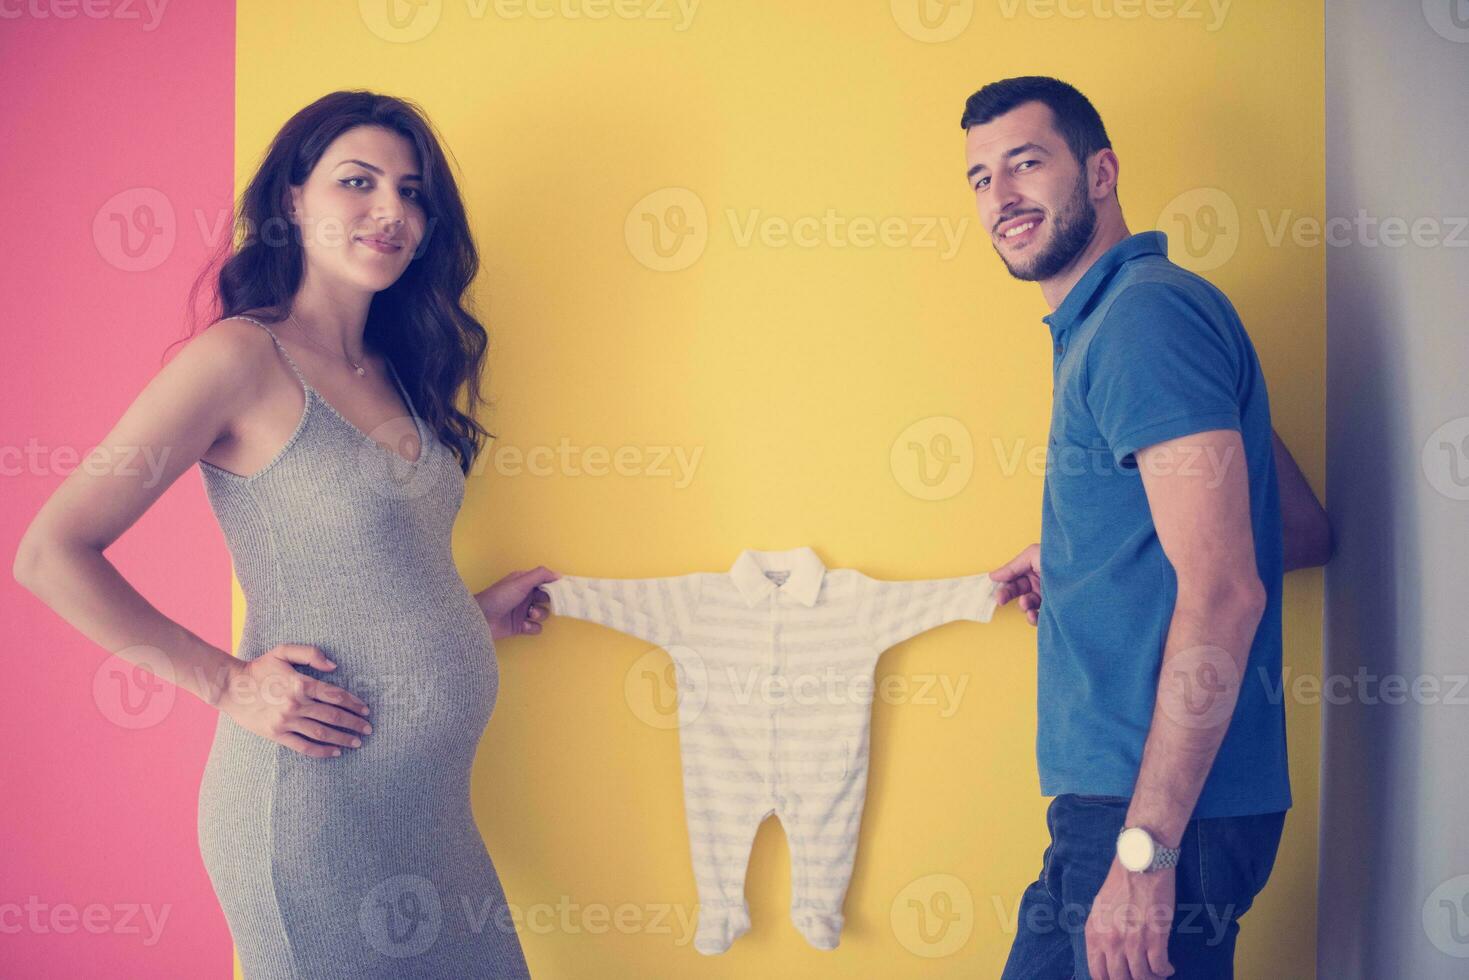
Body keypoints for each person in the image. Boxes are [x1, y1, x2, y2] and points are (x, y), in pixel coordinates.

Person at [12, 90, 555, 978]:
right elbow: (49, 553)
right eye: (358, 182)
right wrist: (226, 684)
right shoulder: (238, 359)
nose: (394, 212)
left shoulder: (402, 372)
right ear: (293, 200)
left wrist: (466, 618)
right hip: (317, 817)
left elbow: (359, 565)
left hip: (431, 817)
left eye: (414, 193)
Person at [965, 77, 1332, 979]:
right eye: (978, 178)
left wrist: (1146, 857)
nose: (1000, 197)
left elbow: (1226, 587)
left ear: (1101, 171)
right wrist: (1086, 559)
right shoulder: (1125, 319)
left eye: (1025, 162)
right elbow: (1295, 529)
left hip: (1158, 815)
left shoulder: (1140, 322)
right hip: (1146, 808)